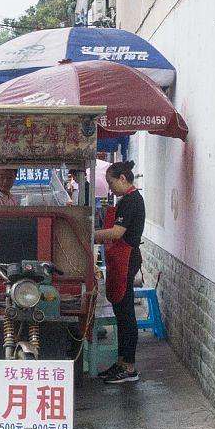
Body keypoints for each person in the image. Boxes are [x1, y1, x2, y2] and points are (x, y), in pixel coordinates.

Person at [95, 160, 145, 383]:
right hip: (120, 258)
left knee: (126, 315)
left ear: (123, 178)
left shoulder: (132, 200)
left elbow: (116, 233)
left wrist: (91, 235)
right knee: (120, 312)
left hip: (127, 258)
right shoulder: (126, 199)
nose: (110, 187)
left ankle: (129, 367)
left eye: (111, 182)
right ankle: (121, 361)